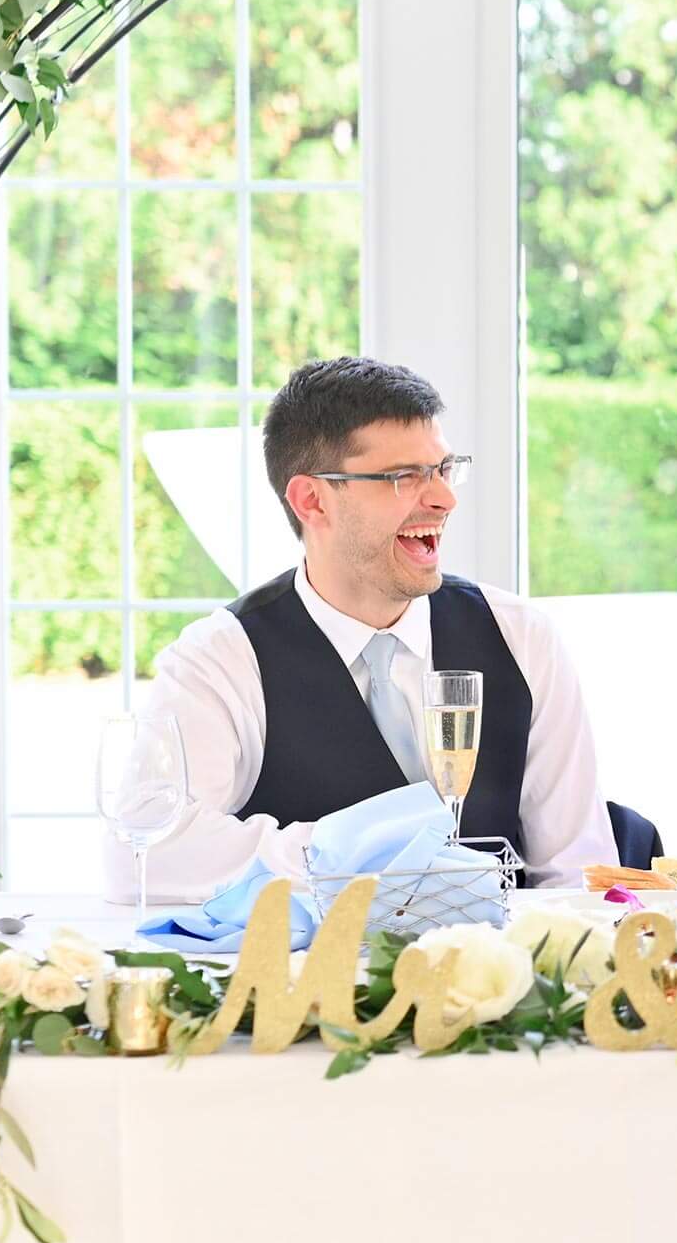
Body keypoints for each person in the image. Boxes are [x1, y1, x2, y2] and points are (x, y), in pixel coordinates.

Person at [118, 357, 618, 901]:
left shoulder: (523, 638)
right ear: (312, 500)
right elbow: (140, 854)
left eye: (444, 470)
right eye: (404, 477)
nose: (444, 498)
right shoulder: (221, 658)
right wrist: (355, 854)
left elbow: (581, 876)